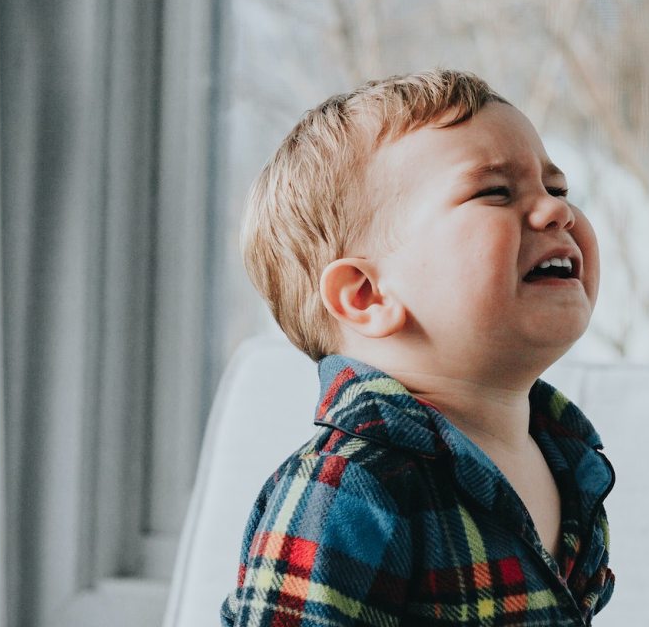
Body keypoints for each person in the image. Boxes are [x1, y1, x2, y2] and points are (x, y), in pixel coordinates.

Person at [222, 69, 615, 626]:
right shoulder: (345, 486)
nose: (558, 212)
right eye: (495, 192)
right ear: (367, 294)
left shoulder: (568, 462)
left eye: (557, 189)